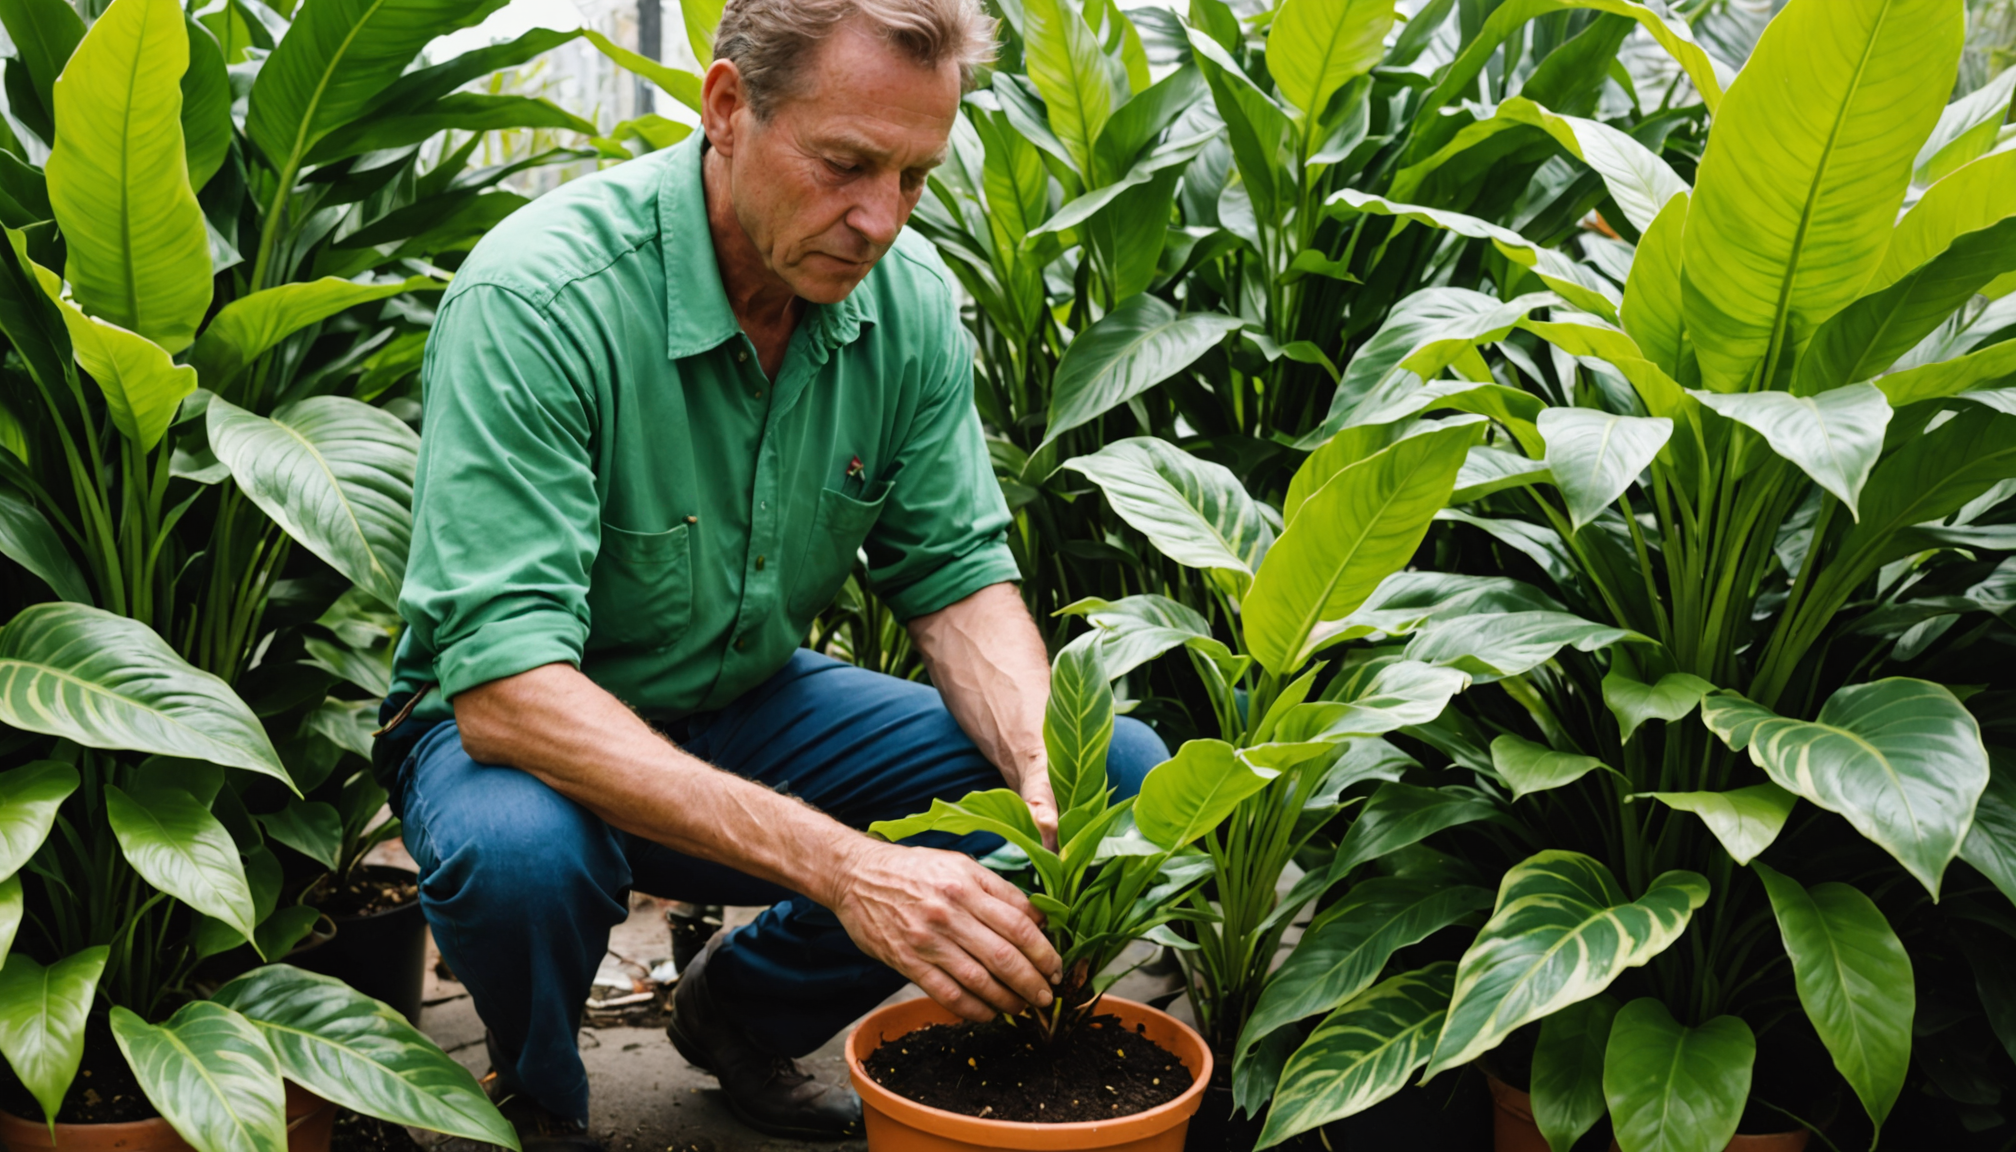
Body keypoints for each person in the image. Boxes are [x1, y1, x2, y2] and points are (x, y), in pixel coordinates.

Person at [370, 0, 1171, 1146]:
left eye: (914, 176)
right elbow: (508, 693)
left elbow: (953, 576)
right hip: (513, 736)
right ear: (728, 107)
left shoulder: (902, 309)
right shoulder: (541, 299)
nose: (879, 219)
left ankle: (738, 1011)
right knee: (521, 858)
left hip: (743, 699)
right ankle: (537, 1097)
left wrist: (1041, 769)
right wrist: (853, 873)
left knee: (1114, 770)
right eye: (847, 163)